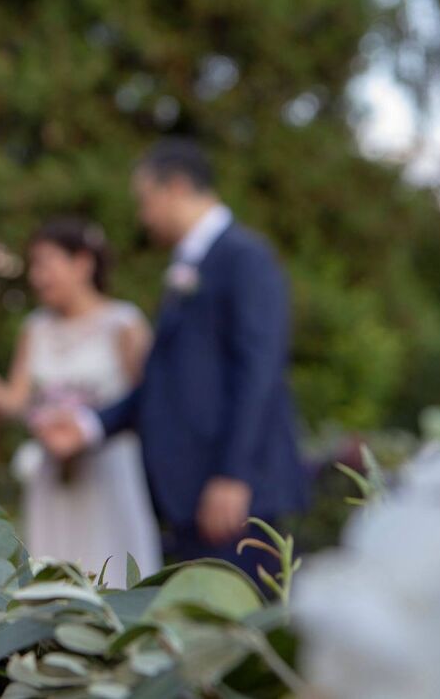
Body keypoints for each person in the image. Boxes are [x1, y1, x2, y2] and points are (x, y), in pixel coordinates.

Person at [35, 139, 308, 581]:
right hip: (191, 496)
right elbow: (165, 383)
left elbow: (259, 370)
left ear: (177, 187)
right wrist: (89, 425)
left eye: (146, 200)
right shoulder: (189, 266)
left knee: (239, 636)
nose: (143, 216)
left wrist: (232, 475)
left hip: (232, 500)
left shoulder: (245, 258)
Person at [0, 218, 162, 586]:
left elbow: (152, 402)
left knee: (115, 577)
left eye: (45, 263)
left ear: (82, 263)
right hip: (52, 478)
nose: (36, 275)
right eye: (34, 265)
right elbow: (14, 402)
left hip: (108, 473)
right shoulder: (36, 328)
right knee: (53, 578)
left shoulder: (124, 323)